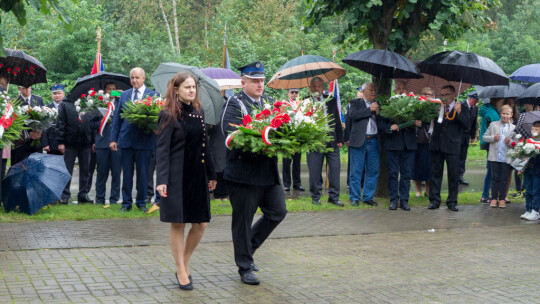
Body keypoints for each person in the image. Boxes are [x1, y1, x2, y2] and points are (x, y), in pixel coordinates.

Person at [220, 61, 287, 285]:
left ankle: (248, 248)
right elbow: (231, 134)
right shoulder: (234, 103)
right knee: (242, 220)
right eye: (255, 81)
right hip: (243, 174)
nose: (260, 85)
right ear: (243, 82)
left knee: (277, 212)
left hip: (267, 172)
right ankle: (245, 266)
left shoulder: (269, 102)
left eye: (261, 80)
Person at [156, 72, 216, 290]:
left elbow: (205, 145)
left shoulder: (198, 112)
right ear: (176, 90)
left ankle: (185, 261)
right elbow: (162, 150)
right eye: (187, 87)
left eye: (193, 87)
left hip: (197, 175)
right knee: (178, 223)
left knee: (201, 223)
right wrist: (161, 179)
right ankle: (181, 270)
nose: (192, 91)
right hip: (176, 177)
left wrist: (212, 173)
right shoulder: (168, 114)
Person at [110, 67, 159, 213]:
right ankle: (126, 203)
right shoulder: (124, 95)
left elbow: (158, 117)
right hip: (126, 141)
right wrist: (113, 139)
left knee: (144, 175)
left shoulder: (153, 95)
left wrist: (153, 126)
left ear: (144, 78)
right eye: (132, 77)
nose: (134, 80)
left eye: (137, 77)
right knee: (127, 174)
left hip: (145, 141)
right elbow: (117, 120)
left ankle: (141, 202)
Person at [428, 85, 469, 211]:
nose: (444, 97)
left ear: (453, 94)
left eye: (446, 94)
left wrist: (459, 112)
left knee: (453, 175)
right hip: (437, 144)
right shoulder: (438, 106)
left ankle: (452, 201)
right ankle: (434, 200)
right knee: (435, 173)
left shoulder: (462, 107)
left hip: (452, 145)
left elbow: (467, 125)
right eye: (442, 94)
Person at [378, 94, 420, 211]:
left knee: (406, 175)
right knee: (393, 174)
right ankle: (393, 200)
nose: (401, 90)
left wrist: (419, 124)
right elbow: (381, 123)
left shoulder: (414, 105)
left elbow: (421, 122)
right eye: (399, 88)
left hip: (409, 145)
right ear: (395, 90)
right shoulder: (388, 105)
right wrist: (390, 126)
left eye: (403, 88)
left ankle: (404, 201)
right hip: (393, 145)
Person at [306, 77, 344, 206]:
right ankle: (315, 197)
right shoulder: (306, 102)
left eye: (319, 86)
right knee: (315, 170)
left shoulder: (331, 101)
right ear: (310, 88)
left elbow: (337, 121)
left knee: (335, 168)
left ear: (323, 88)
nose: (317, 88)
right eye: (314, 86)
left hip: (331, 139)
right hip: (315, 140)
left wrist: (340, 138)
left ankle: (334, 197)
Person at [55, 89, 94, 204]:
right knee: (67, 170)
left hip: (86, 143)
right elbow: (60, 123)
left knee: (86, 170)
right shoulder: (65, 104)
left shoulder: (89, 103)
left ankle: (83, 195)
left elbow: (93, 123)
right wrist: (60, 141)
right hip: (69, 143)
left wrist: (93, 140)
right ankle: (65, 195)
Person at [345, 82, 380, 207]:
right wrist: (369, 110)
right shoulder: (355, 102)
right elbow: (353, 115)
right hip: (359, 140)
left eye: (375, 89)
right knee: (356, 170)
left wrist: (378, 113)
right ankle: (354, 197)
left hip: (374, 140)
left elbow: (382, 122)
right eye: (371, 89)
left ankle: (368, 197)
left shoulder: (378, 104)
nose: (373, 92)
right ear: (363, 91)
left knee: (373, 170)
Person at [93, 82, 121, 205]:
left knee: (116, 172)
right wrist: (104, 120)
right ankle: (100, 198)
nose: (111, 91)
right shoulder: (98, 104)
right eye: (109, 89)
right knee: (101, 172)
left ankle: (114, 198)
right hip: (101, 142)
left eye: (114, 89)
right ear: (104, 91)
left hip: (117, 143)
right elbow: (90, 124)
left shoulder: (120, 103)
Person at [482, 105, 516, 208]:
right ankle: (493, 198)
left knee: (504, 179)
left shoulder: (514, 128)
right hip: (494, 156)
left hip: (506, 157)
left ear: (511, 115)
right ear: (500, 114)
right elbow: (484, 137)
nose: (505, 116)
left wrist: (510, 142)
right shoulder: (493, 125)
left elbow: (517, 143)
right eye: (503, 113)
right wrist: (493, 138)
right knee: (495, 178)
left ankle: (502, 199)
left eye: (507, 114)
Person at [478, 97, 504, 204]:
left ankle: (486, 194)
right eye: (501, 102)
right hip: (492, 144)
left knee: (490, 169)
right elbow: (497, 129)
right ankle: (485, 195)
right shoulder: (493, 113)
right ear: (496, 101)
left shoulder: (486, 109)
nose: (502, 104)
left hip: (486, 143)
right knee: (491, 170)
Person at [412, 87, 434, 198]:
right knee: (417, 166)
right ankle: (418, 190)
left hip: (431, 140)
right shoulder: (416, 105)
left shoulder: (436, 106)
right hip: (418, 140)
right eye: (425, 94)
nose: (427, 96)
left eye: (429, 94)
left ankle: (428, 190)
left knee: (429, 166)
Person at [282, 88, 305, 192]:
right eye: (292, 92)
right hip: (287, 135)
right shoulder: (284, 105)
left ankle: (297, 183)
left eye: (296, 92)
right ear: (288, 94)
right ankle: (286, 184)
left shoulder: (301, 105)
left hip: (298, 136)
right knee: (286, 161)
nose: (294, 94)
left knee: (297, 162)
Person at [520, 121, 540, 221]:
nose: (534, 131)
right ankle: (528, 209)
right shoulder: (528, 141)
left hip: (537, 170)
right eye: (532, 129)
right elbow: (522, 156)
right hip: (528, 169)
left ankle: (535, 211)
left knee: (536, 191)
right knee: (528, 190)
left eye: (536, 129)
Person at [458, 91, 479, 186]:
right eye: (475, 101)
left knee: (463, 156)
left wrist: (472, 136)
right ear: (470, 99)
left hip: (466, 136)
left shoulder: (475, 108)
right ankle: (454, 176)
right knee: (456, 156)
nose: (476, 103)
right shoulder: (460, 105)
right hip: (458, 135)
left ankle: (460, 176)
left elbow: (474, 122)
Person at [42, 84, 64, 156]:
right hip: (51, 143)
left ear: (63, 94)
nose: (57, 95)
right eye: (54, 93)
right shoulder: (46, 108)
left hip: (65, 143)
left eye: (59, 93)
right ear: (52, 95)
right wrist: (45, 144)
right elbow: (44, 127)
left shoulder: (68, 107)